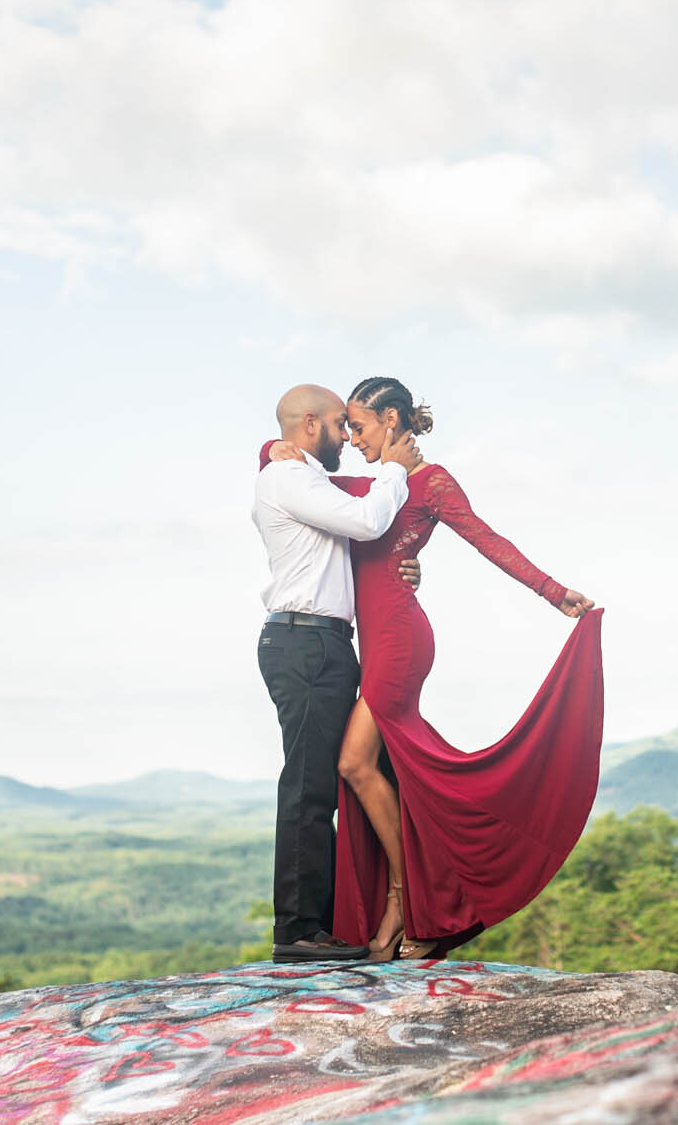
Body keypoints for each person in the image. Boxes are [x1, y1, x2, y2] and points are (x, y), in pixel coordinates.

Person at [263, 376, 602, 960]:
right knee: (373, 772)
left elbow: (487, 539)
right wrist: (270, 448)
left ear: (390, 420)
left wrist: (553, 591)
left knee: (353, 763)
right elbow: (288, 478)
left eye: (360, 426)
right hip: (362, 641)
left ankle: (404, 899)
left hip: (398, 639)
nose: (351, 438)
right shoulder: (370, 484)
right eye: (343, 426)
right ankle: (403, 900)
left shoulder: (431, 482)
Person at [251, 383, 423, 961]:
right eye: (335, 426)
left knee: (331, 782)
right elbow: (368, 521)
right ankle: (297, 933)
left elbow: (366, 527)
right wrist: (395, 471)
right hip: (303, 642)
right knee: (307, 786)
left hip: (322, 643)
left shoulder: (299, 473)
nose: (346, 440)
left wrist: (410, 562)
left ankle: (324, 925)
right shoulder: (289, 478)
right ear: (308, 425)